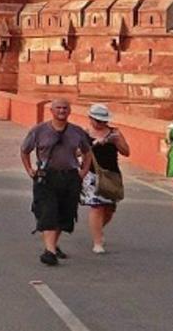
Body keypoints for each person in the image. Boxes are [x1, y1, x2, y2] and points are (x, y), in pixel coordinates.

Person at [20, 99, 94, 266]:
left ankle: (52, 245)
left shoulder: (76, 132)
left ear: (69, 111)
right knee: (48, 212)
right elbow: (24, 150)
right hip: (47, 176)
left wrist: (83, 171)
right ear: (51, 111)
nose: (61, 111)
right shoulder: (39, 131)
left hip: (70, 177)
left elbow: (87, 152)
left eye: (65, 108)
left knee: (64, 215)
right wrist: (30, 170)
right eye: (58, 108)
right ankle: (50, 252)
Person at [81, 104, 129, 254]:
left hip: (111, 173)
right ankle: (97, 242)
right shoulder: (85, 134)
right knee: (97, 206)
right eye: (98, 121)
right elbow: (77, 152)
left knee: (109, 209)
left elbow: (126, 152)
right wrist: (94, 144)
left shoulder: (115, 133)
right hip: (92, 173)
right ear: (91, 119)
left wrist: (115, 142)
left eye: (103, 121)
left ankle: (98, 229)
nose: (101, 124)